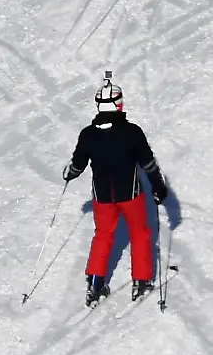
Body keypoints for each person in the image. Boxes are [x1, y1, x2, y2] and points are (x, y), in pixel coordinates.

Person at [63, 73, 169, 305]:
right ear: (119, 104)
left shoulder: (88, 135)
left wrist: (70, 173)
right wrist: (159, 187)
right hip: (130, 195)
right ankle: (140, 282)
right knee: (139, 233)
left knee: (103, 235)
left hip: (102, 197)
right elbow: (148, 163)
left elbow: (78, 165)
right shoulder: (132, 132)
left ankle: (95, 283)